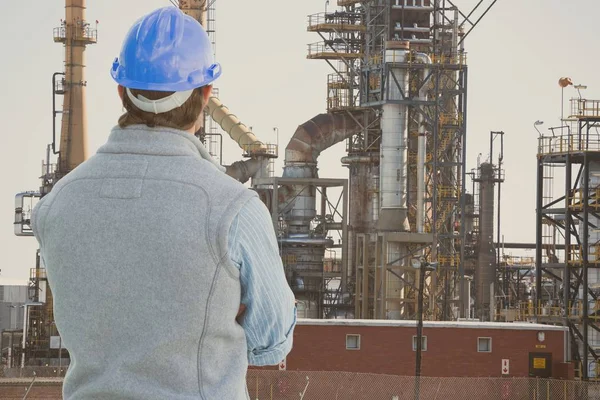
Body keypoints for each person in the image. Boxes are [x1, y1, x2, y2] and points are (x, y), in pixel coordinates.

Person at [32, 6, 296, 400]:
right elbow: (271, 342)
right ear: (206, 94)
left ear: (121, 91)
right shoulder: (234, 209)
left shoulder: (56, 205)